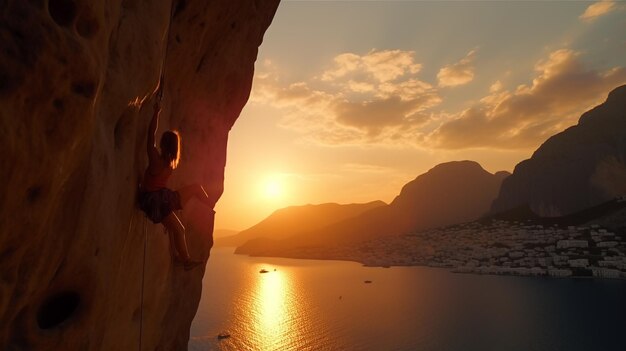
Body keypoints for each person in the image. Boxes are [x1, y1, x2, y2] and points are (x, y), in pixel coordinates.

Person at [138, 99, 210, 271]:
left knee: (180, 225)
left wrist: (156, 113)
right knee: (180, 226)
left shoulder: (156, 159)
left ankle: (184, 259)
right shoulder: (169, 164)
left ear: (163, 144)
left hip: (154, 199)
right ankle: (185, 260)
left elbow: (150, 137)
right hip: (156, 201)